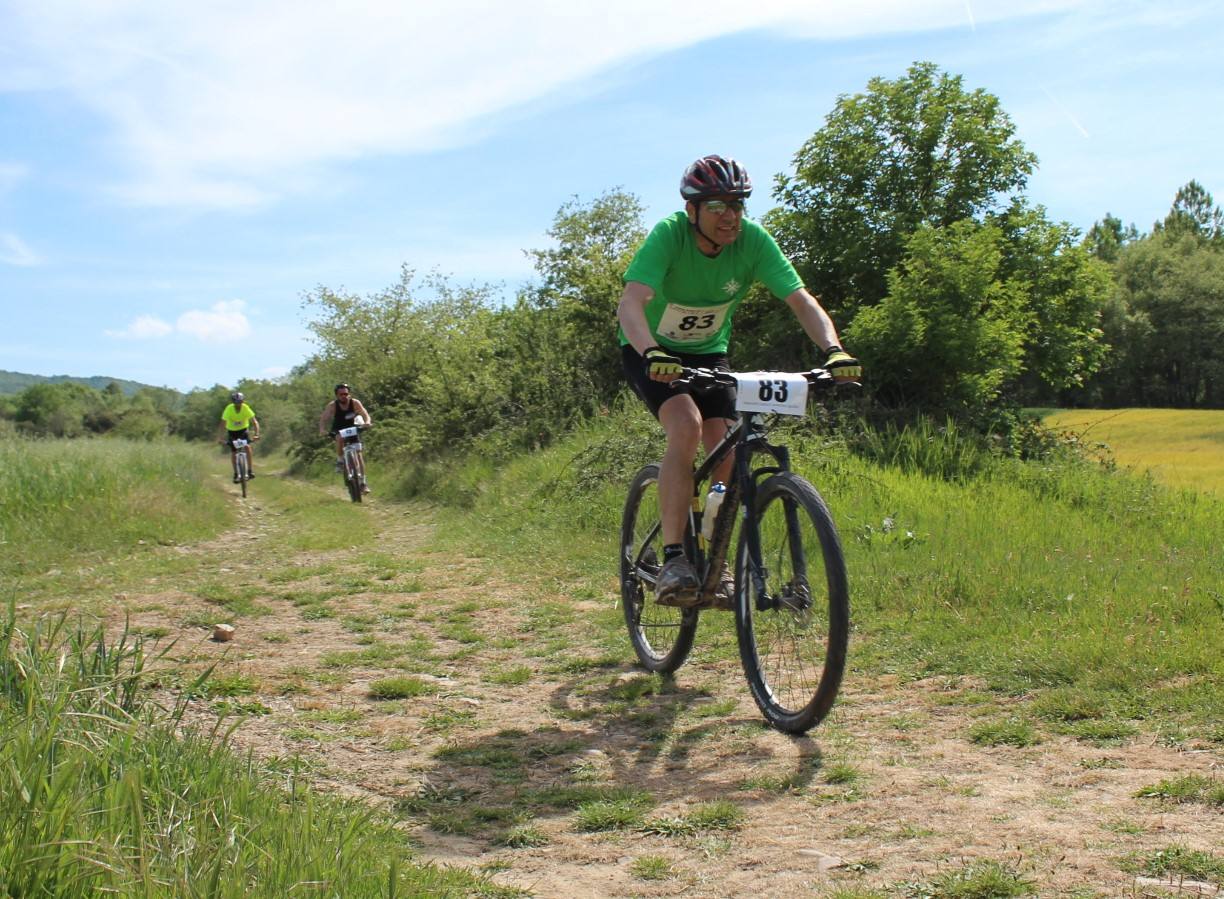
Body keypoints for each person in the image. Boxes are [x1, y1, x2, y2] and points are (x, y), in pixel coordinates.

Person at [616, 154, 861, 607]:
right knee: (686, 426)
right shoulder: (670, 236)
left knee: (727, 448)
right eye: (716, 206)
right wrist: (651, 351)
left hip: (709, 351)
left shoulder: (752, 242)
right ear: (692, 210)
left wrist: (834, 351)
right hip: (649, 350)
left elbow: (801, 300)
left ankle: (714, 555)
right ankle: (673, 557)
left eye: (737, 205)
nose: (729, 216)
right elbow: (633, 301)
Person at [318, 383, 373, 493]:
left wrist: (367, 422)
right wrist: (322, 429)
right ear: (337, 395)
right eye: (341, 394)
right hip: (338, 429)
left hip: (353, 428)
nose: (344, 396)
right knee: (339, 437)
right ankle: (340, 460)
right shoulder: (332, 405)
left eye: (346, 394)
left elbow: (364, 413)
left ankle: (363, 483)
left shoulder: (355, 403)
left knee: (358, 453)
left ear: (349, 394)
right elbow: (324, 418)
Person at [217, 391, 260, 482]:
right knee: (234, 451)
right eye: (236, 403)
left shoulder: (246, 408)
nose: (238, 405)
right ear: (233, 402)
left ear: (243, 401)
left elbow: (255, 422)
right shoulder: (228, 409)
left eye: (240, 402)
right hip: (232, 432)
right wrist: (220, 437)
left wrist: (256, 434)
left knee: (247, 447)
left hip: (243, 430)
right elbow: (222, 424)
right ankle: (236, 474)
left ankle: (250, 471)